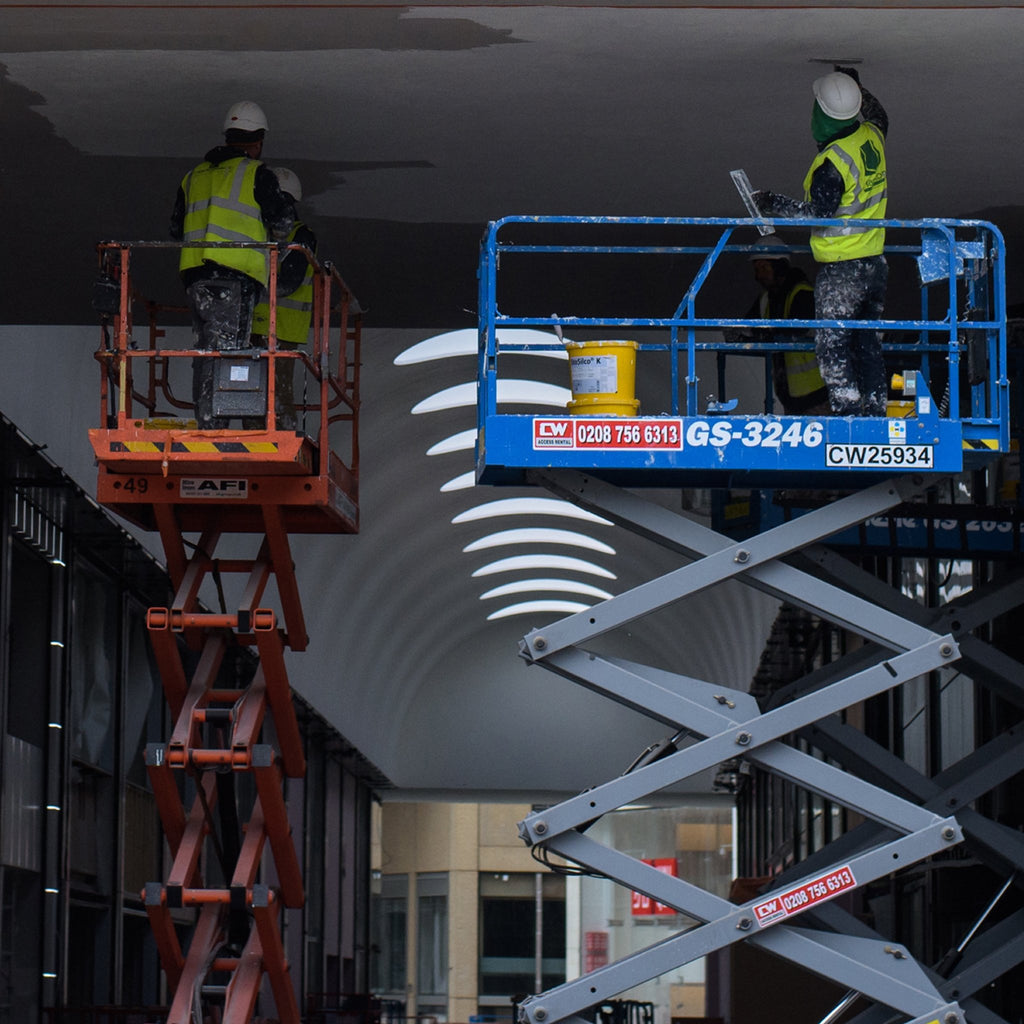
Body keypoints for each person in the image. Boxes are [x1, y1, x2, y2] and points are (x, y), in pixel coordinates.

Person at [753, 67, 889, 416]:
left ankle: (845, 410)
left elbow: (817, 215)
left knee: (832, 343)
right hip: (875, 264)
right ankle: (874, 407)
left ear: (821, 114)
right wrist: (859, 88)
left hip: (844, 267)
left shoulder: (832, 163)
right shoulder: (872, 137)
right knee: (867, 341)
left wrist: (773, 203)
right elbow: (879, 115)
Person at [170, 101, 294, 428]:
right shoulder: (256, 173)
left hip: (196, 275)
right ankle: (216, 426)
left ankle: (207, 420)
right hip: (234, 276)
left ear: (228, 136)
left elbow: (174, 229)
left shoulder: (193, 176)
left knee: (208, 349)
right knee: (228, 349)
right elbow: (282, 222)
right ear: (258, 142)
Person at [250, 167, 318, 430]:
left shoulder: (301, 236)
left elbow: (288, 283)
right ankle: (259, 437)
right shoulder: (260, 235)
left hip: (282, 330)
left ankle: (283, 436)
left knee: (277, 394)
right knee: (251, 394)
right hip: (256, 329)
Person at [734, 236, 830, 416]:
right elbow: (748, 326)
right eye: (757, 269)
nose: (759, 275)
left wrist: (769, 334)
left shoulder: (803, 294)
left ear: (780, 267)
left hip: (818, 394)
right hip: (791, 396)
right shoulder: (767, 299)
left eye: (764, 268)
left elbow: (797, 328)